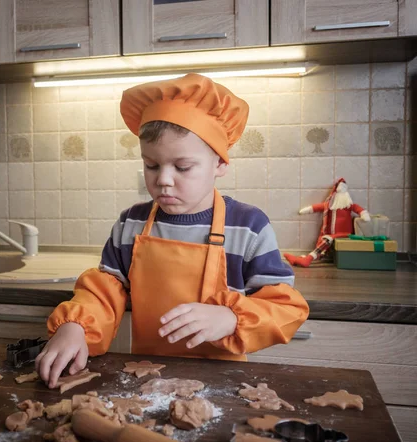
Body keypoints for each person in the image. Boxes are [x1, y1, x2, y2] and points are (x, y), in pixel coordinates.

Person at [35, 73, 309, 389]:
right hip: (148, 379)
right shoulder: (131, 224)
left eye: (182, 167)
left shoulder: (247, 227)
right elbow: (104, 291)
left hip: (223, 384)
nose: (163, 179)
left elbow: (285, 306)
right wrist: (76, 326)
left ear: (219, 163)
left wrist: (231, 318)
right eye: (152, 165)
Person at [284, 178, 371, 268]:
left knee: (326, 240)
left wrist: (364, 214)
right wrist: (307, 209)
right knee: (324, 242)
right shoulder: (329, 206)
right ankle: (298, 259)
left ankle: (307, 259)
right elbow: (317, 207)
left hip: (344, 234)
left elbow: (360, 210)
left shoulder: (350, 206)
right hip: (331, 235)